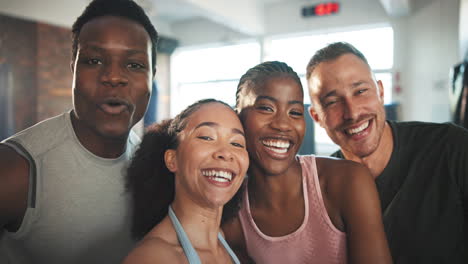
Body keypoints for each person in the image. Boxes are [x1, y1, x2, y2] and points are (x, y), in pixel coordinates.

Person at [0, 0, 158, 263]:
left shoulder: (147, 164)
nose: (113, 77)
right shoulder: (16, 168)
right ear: (73, 69)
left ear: (152, 76)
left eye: (134, 65)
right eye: (94, 60)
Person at [306, 42, 468, 263]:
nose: (352, 113)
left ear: (380, 92)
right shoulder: (319, 188)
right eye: (333, 101)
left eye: (361, 91)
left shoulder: (451, 148)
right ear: (316, 117)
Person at [222, 61, 392, 264]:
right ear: (236, 115)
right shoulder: (232, 214)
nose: (283, 125)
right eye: (266, 108)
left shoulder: (348, 181)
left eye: (294, 112)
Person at [123, 99, 249, 263]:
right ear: (172, 159)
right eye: (206, 137)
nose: (225, 153)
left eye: (236, 143)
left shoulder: (223, 242)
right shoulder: (152, 257)